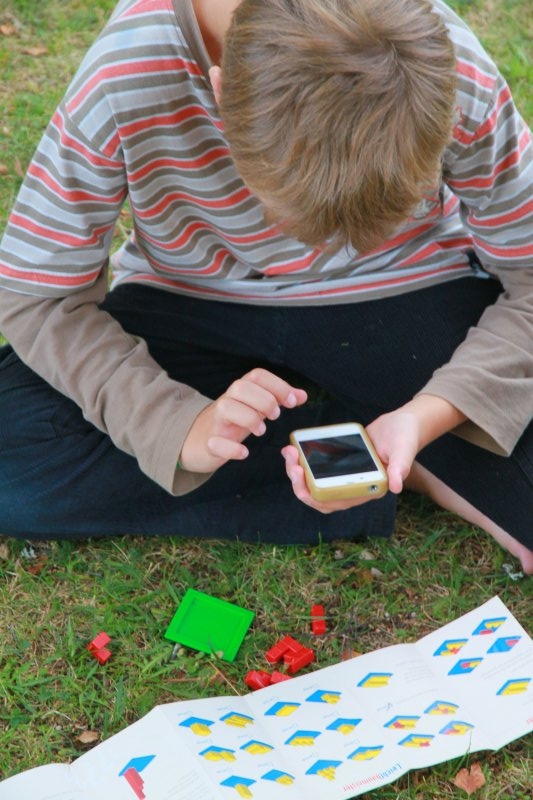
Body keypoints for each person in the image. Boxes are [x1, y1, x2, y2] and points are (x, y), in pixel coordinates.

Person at [0, 0, 531, 572]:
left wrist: (429, 414)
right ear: (220, 91)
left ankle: (398, 446)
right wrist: (175, 426)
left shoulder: (437, 62)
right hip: (191, 301)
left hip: (402, 294)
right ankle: (413, 463)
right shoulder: (126, 67)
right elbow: (37, 298)